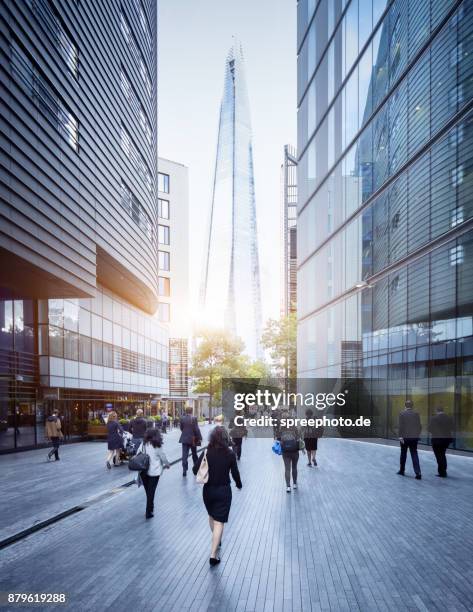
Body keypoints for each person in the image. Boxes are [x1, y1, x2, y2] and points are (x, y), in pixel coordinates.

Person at [193, 426, 242, 566]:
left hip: (208, 491)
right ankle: (213, 556)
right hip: (224, 491)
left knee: (212, 516)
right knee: (219, 522)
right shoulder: (230, 453)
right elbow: (235, 473)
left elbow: (195, 469)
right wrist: (239, 484)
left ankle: (216, 538)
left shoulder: (207, 451)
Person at [137, 428, 170, 519]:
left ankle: (150, 509)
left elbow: (138, 453)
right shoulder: (157, 445)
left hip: (143, 471)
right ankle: (149, 511)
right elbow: (163, 456)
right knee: (151, 492)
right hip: (154, 472)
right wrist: (167, 464)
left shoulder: (144, 444)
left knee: (148, 491)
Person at [397, 400, 422, 479]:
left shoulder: (402, 414)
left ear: (405, 406)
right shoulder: (416, 414)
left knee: (403, 454)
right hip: (414, 438)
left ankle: (402, 470)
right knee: (414, 454)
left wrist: (400, 436)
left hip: (404, 438)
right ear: (412, 406)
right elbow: (419, 426)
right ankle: (418, 473)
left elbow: (401, 426)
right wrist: (417, 434)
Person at [278, 415, 302, 492]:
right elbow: (299, 439)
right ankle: (294, 484)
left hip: (285, 452)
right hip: (295, 451)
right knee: (294, 467)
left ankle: (288, 486)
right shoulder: (295, 428)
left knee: (287, 469)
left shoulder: (282, 428)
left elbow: (278, 439)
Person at [428, 407, 454, 477]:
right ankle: (443, 470)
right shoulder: (449, 418)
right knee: (442, 454)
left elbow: (429, 429)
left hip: (437, 440)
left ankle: (442, 472)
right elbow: (452, 428)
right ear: (443, 410)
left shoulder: (433, 418)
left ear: (437, 411)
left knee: (439, 456)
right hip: (446, 440)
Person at [179, 406, 202, 476]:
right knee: (194, 454)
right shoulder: (194, 418)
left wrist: (185, 433)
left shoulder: (182, 418)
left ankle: (184, 470)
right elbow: (196, 429)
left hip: (184, 439)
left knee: (184, 455)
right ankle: (196, 468)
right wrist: (200, 437)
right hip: (193, 439)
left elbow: (181, 428)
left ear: (186, 411)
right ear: (192, 411)